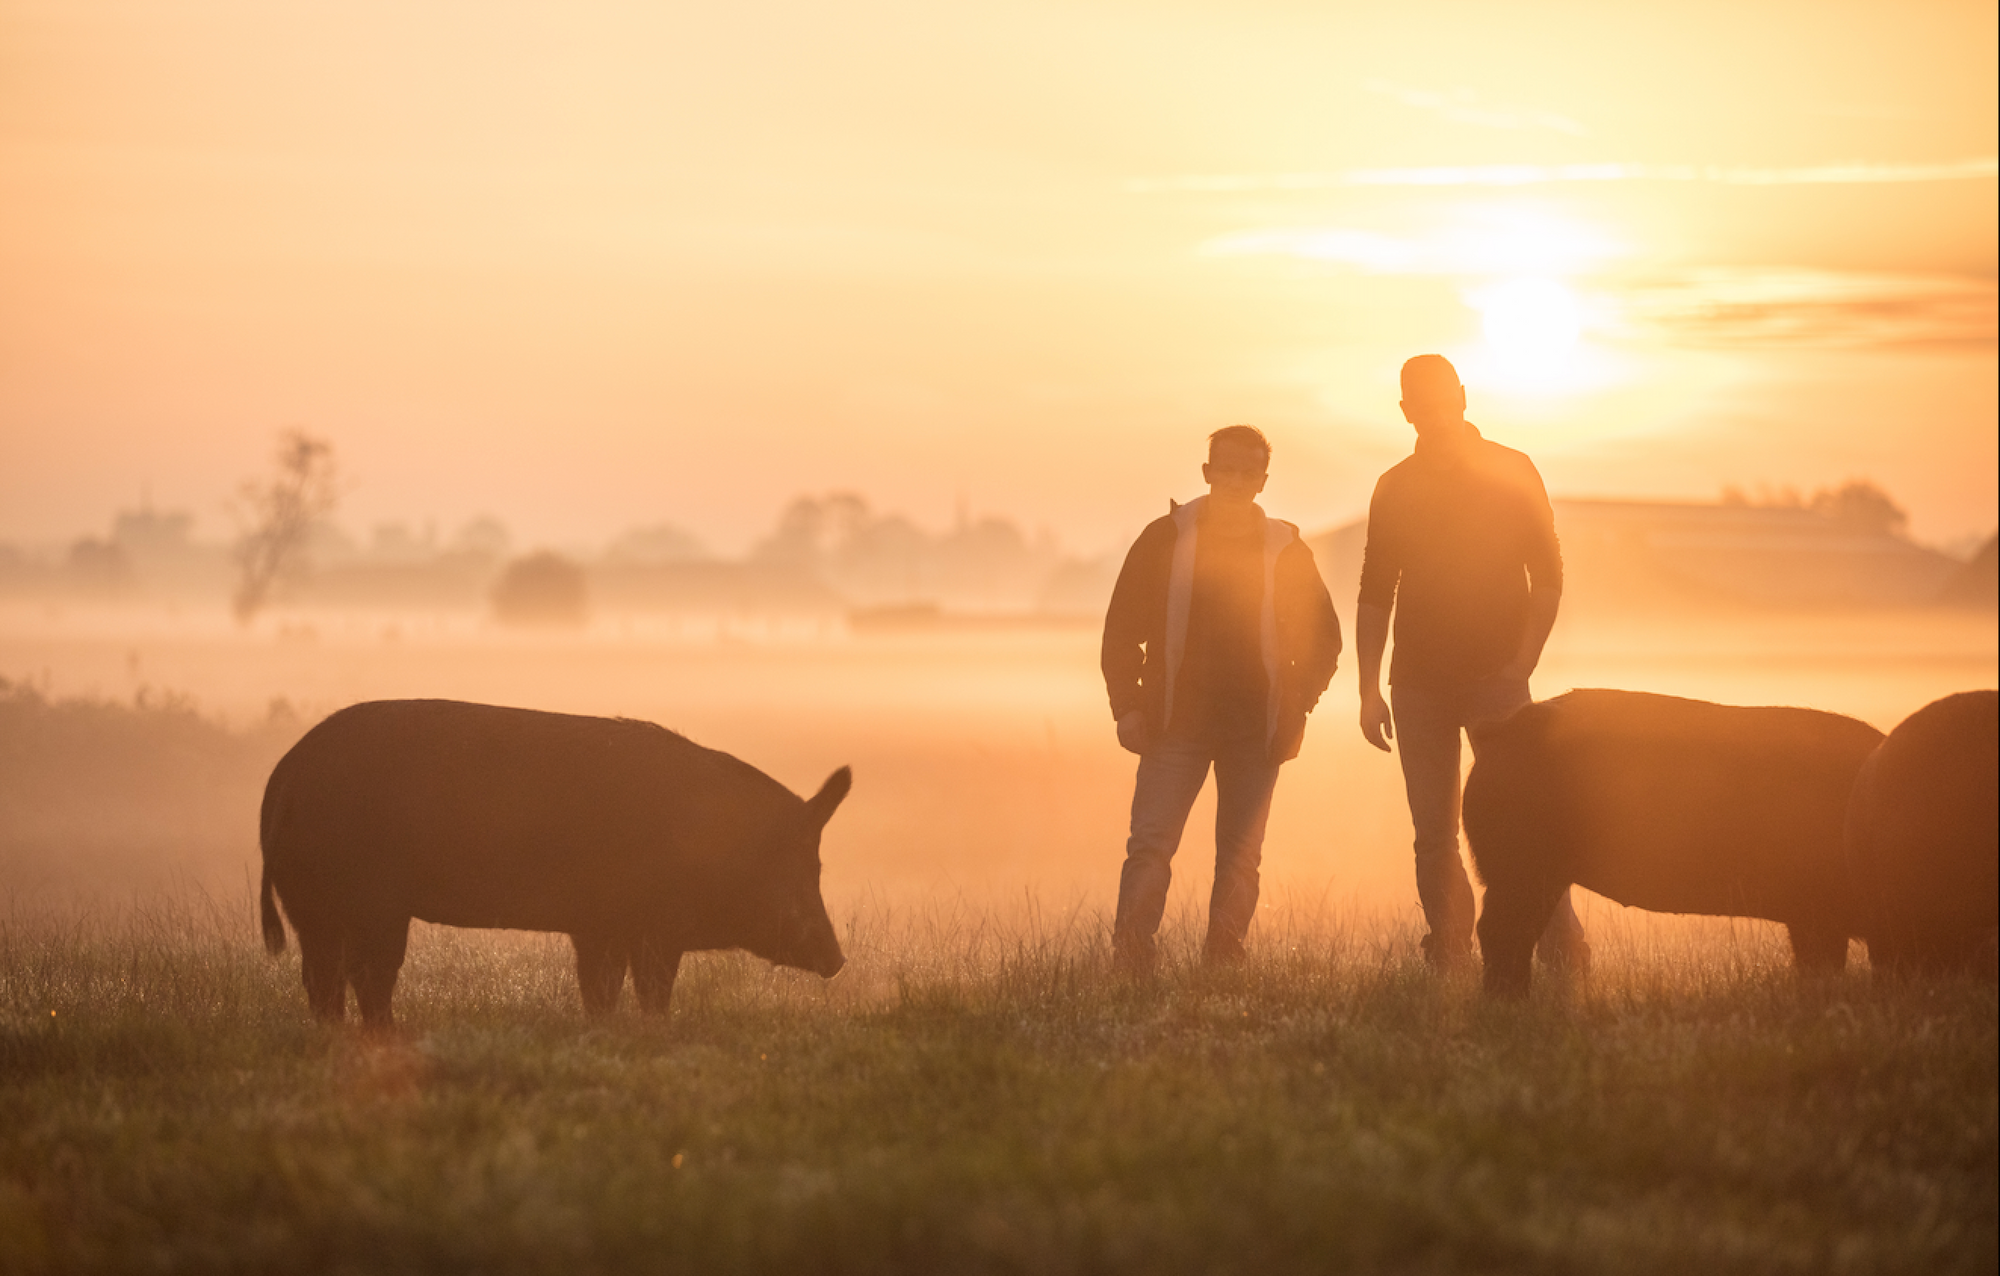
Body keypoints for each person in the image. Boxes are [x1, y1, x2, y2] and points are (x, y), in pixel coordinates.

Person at [1356, 354, 1588, 971]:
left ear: (1462, 396)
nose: (1433, 413)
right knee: (1433, 832)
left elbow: (1549, 573)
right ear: (1405, 411)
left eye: (1442, 399)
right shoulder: (1394, 486)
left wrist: (1521, 665)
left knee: (1528, 826)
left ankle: (1564, 951)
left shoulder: (1513, 470)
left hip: (1498, 683)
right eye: (1419, 404)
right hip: (1416, 686)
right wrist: (1367, 689)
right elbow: (1375, 589)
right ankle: (1451, 950)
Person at [1102, 425, 1343, 971]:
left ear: (1262, 480)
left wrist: (1297, 706)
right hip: (1171, 726)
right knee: (1150, 846)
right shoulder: (1165, 537)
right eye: (1224, 468)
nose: (1234, 479)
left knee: (1240, 858)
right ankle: (1131, 960)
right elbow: (1121, 629)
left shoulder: (1286, 548)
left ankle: (1224, 963)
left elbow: (1324, 636)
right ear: (1207, 472)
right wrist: (1128, 706)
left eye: (1246, 471)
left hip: (1255, 731)